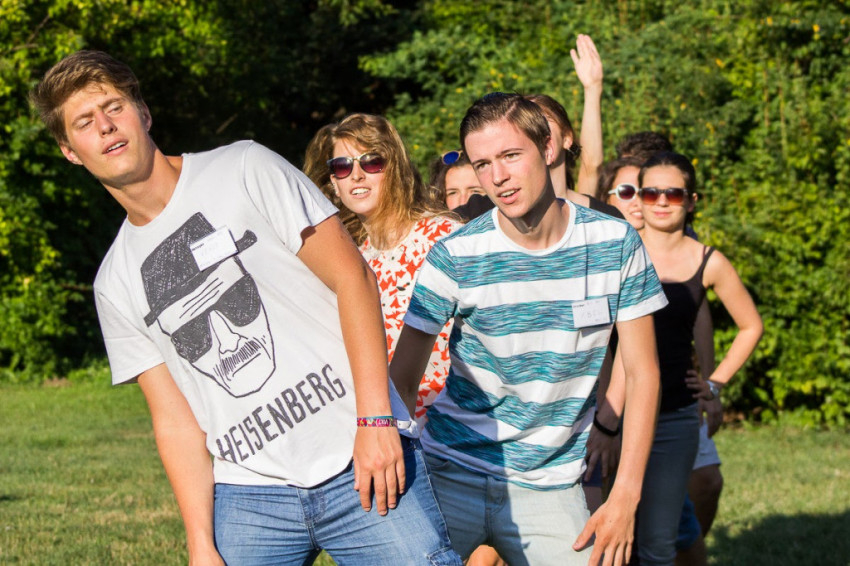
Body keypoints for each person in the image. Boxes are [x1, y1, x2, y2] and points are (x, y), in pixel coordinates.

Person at [30, 50, 461, 565]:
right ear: (70, 151)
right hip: (249, 495)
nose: (104, 126)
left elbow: (353, 280)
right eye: (84, 122)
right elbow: (173, 418)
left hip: (359, 451)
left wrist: (375, 421)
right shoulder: (114, 282)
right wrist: (199, 542)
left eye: (113, 107)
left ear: (143, 113)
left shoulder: (243, 167)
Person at [389, 92, 668, 565]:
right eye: (482, 164)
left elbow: (644, 373)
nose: (497, 176)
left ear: (548, 148)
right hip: (449, 470)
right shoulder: (456, 253)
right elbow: (402, 377)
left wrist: (625, 495)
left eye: (510, 155)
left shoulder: (615, 242)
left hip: (552, 485)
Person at [611, 151, 763, 565]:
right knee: (606, 536)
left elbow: (751, 326)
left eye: (673, 194)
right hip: (612, 416)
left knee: (658, 544)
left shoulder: (707, 261)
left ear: (692, 201)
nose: (661, 201)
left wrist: (714, 383)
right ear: (637, 198)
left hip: (673, 418)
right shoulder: (616, 249)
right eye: (651, 192)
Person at [304, 113, 462, 425]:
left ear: (395, 168)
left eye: (371, 162)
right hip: (394, 434)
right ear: (334, 183)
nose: (356, 175)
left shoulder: (445, 238)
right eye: (342, 166)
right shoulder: (351, 263)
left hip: (457, 433)